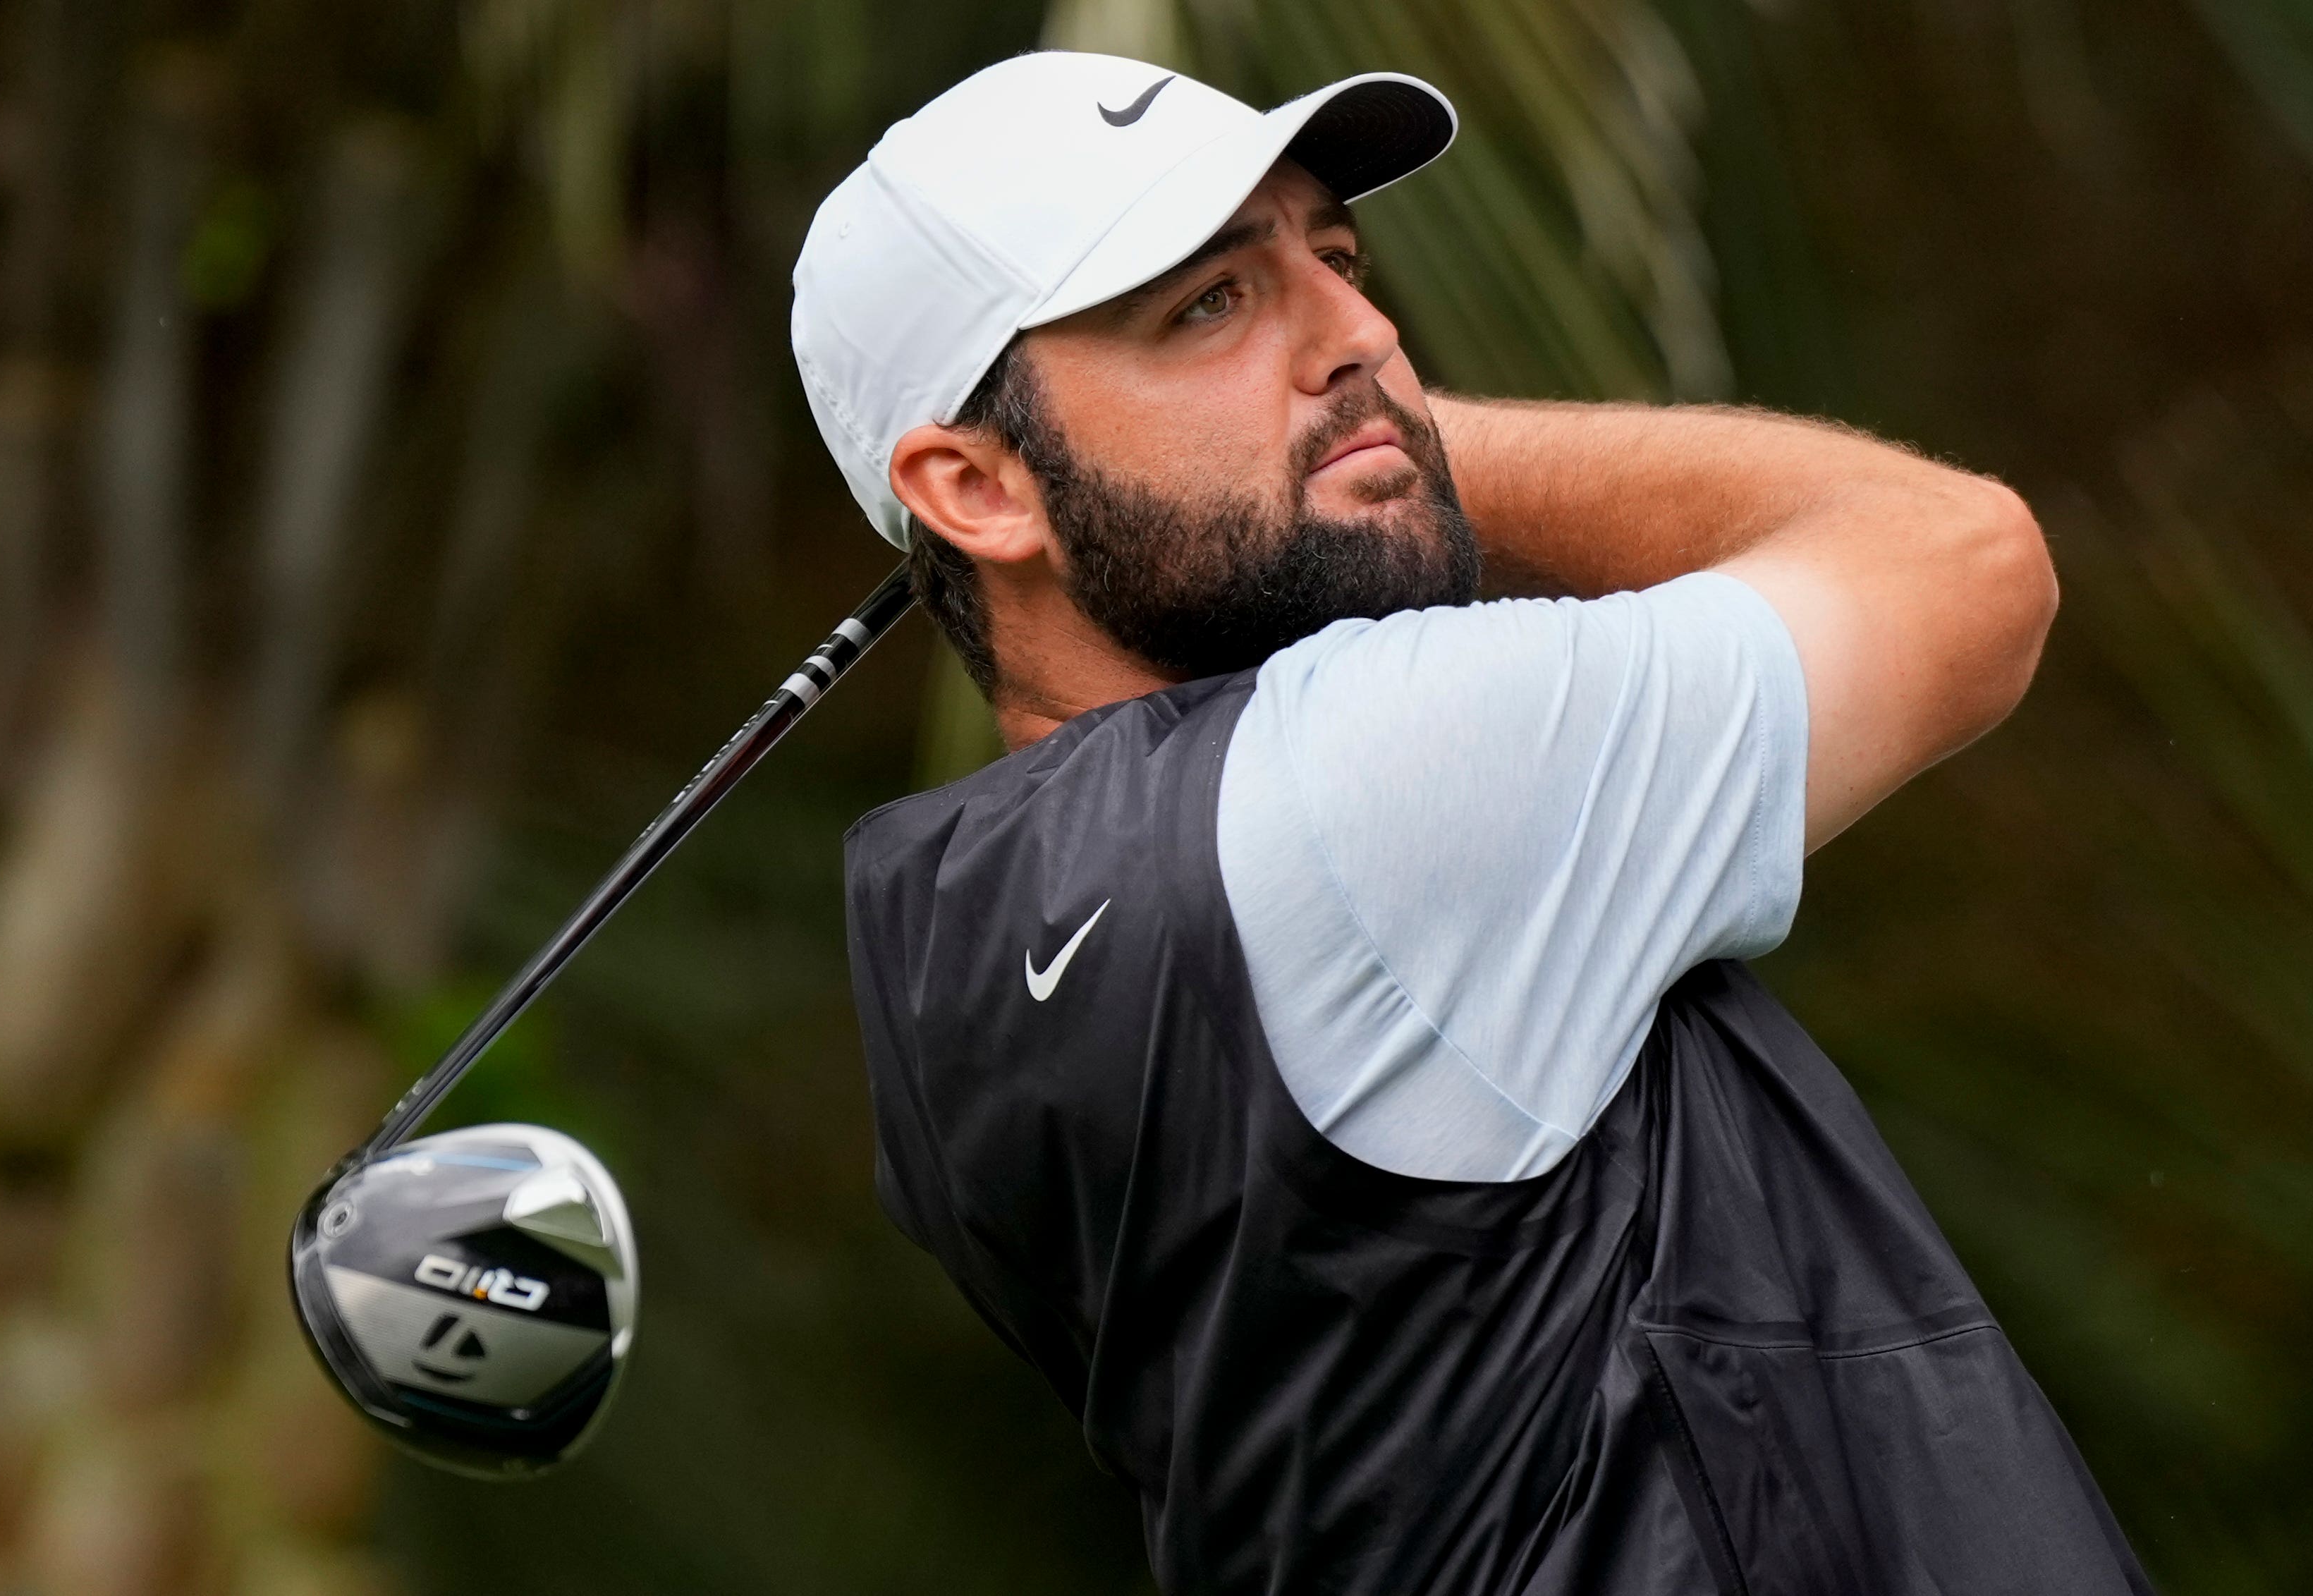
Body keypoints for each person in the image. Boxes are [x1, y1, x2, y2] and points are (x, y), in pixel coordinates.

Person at [793, 51, 2150, 1595]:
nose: (1366, 338)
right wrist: (1397, 439)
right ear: (971, 487)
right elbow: (1961, 565)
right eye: (1210, 306)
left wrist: (1297, 436)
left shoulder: (947, 945)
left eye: (1337, 263)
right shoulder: (1356, 777)